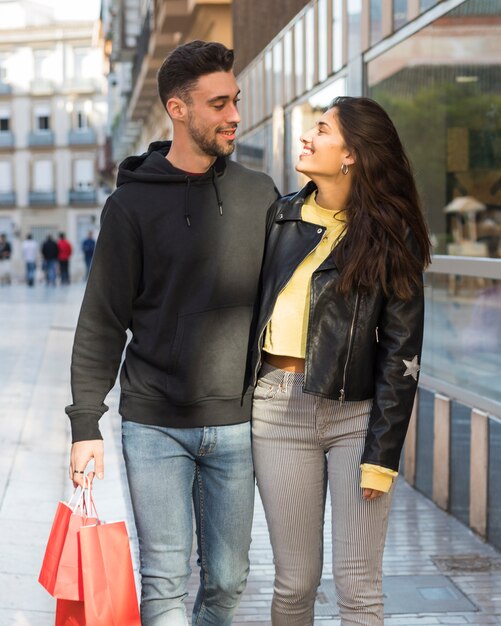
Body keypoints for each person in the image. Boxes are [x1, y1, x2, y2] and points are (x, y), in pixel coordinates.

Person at [66, 40, 278, 626]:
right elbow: (102, 320)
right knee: (163, 579)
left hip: (236, 424)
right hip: (154, 423)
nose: (234, 115)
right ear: (178, 110)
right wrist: (86, 424)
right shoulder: (130, 206)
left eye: (235, 101)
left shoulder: (259, 195)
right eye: (218, 104)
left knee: (230, 582)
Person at [250, 96, 432, 626]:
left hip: (356, 418)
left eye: (322, 129)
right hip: (277, 410)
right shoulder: (280, 217)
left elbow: (402, 353)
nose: (306, 135)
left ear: (352, 154)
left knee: (358, 589)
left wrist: (383, 454)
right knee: (293, 585)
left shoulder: (389, 235)